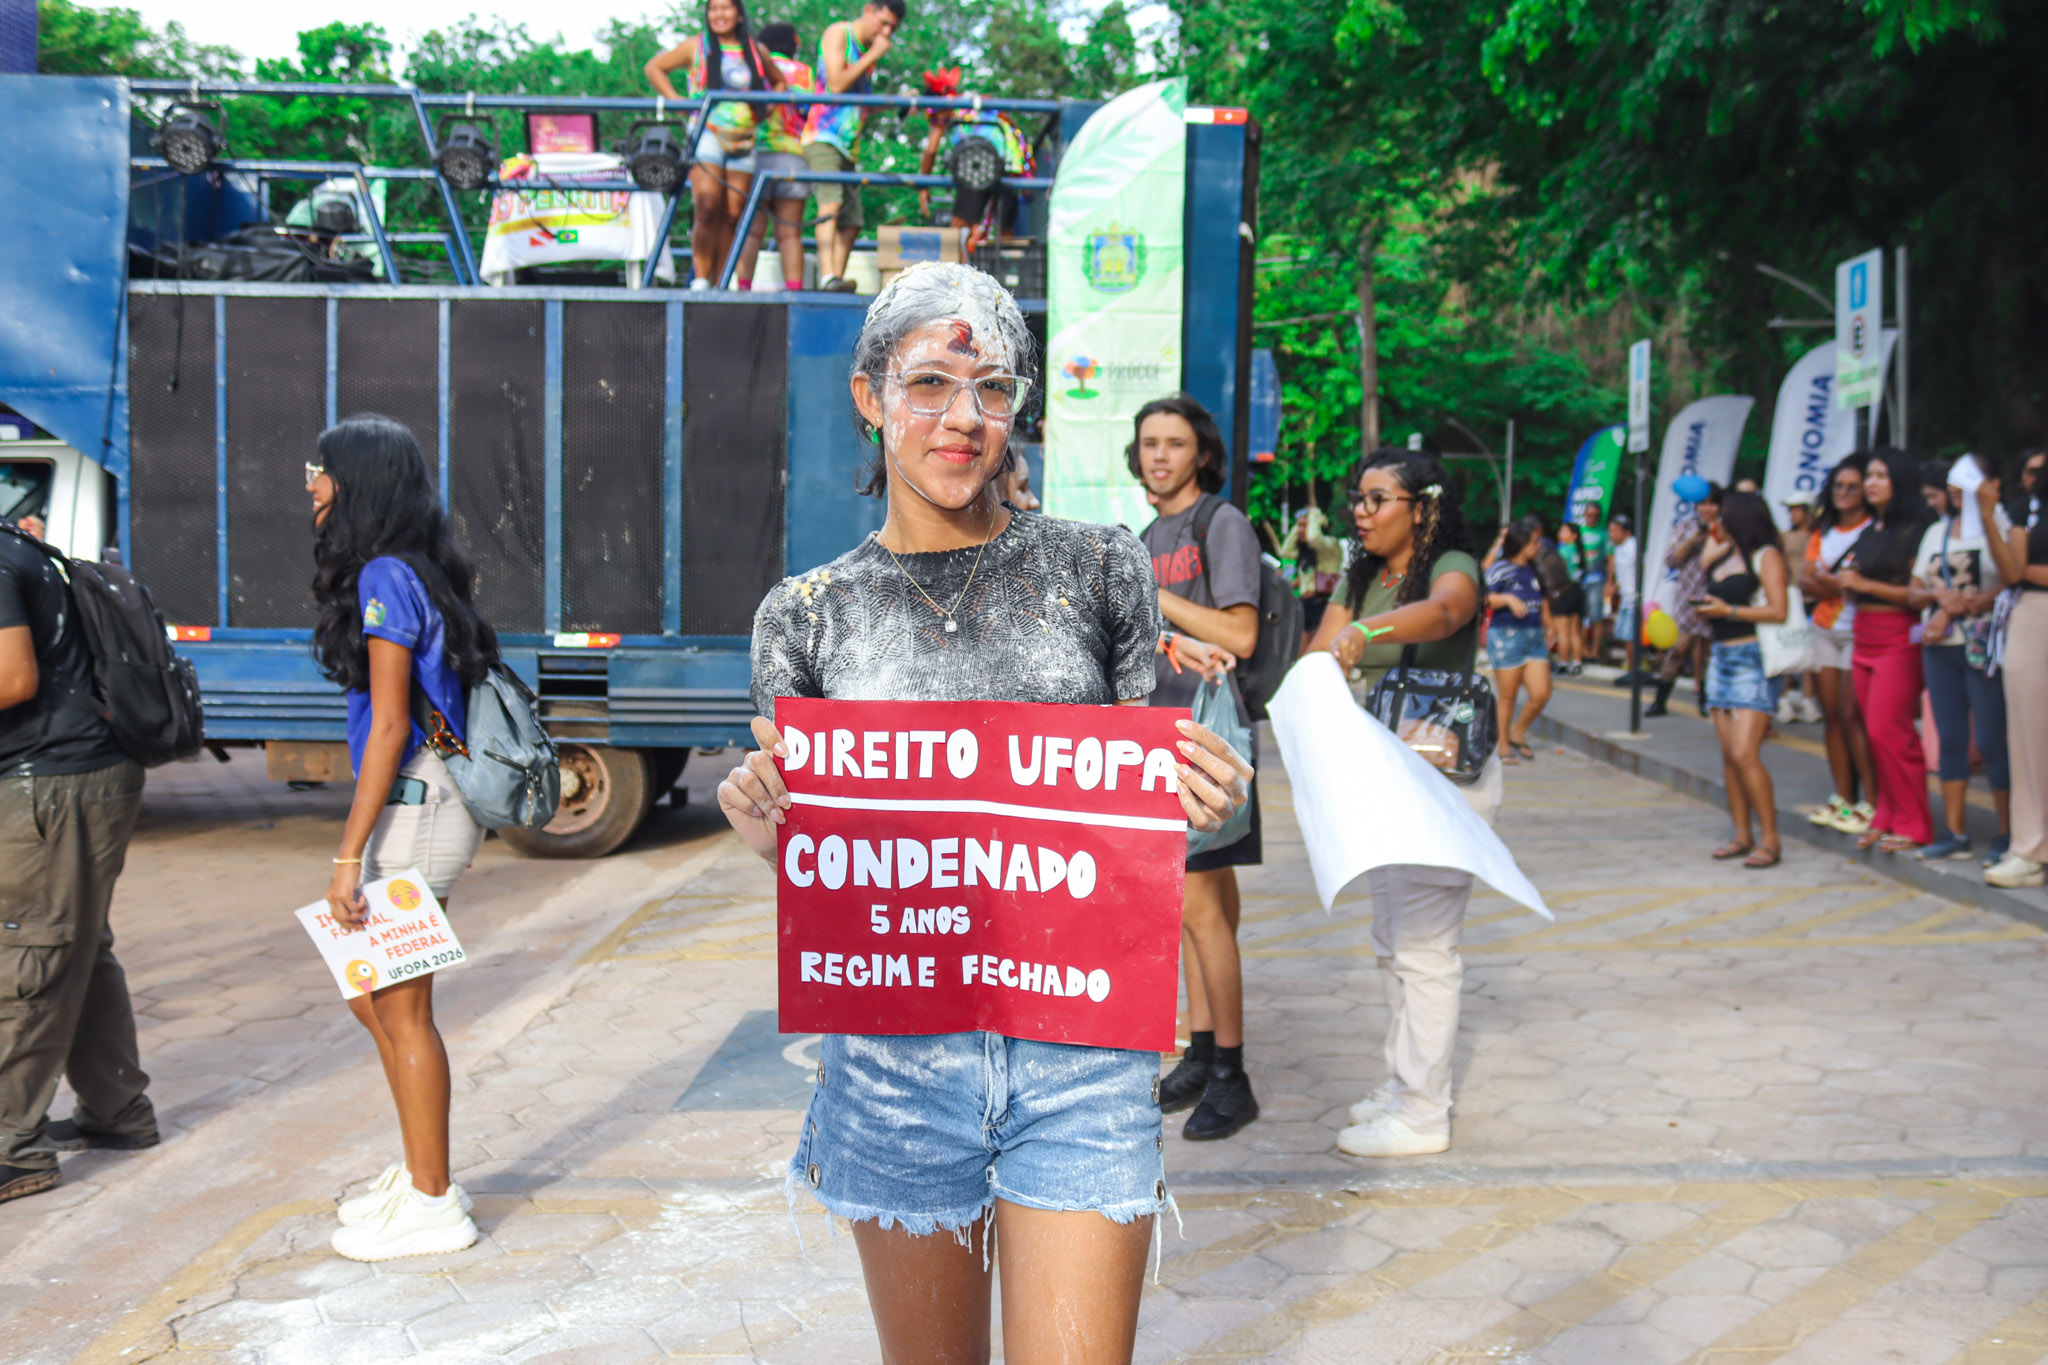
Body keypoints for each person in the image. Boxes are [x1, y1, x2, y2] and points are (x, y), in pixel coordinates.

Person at [721, 263, 1251, 1360]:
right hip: (893, 1061)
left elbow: (1123, 814)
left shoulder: (1100, 567)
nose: (962, 417)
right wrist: (770, 827)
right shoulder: (804, 617)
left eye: (993, 388)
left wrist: (1193, 793)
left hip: (1082, 1050)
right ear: (869, 397)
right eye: (928, 383)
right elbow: (833, 875)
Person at [309, 415, 498, 1261]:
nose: (311, 485)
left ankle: (433, 1201)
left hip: (416, 807)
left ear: (357, 480)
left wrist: (347, 853)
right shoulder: (418, 566)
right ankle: (424, 1171)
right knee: (375, 995)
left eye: (319, 469)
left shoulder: (386, 574)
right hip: (423, 802)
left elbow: (390, 726)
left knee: (400, 1007)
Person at [1304, 448, 1491, 1159]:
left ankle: (1422, 1114)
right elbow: (1320, 653)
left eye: (1378, 498)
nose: (1361, 511)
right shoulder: (1363, 575)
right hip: (1383, 778)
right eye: (1358, 497)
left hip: (1441, 782)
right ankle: (1404, 1084)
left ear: (1424, 507)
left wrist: (1367, 631)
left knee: (1425, 950)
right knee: (1392, 943)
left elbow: (1446, 613)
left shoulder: (1452, 566)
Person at [0, 522, 151, 1205]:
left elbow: (14, 677)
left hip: (54, 781)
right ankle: (117, 1109)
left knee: (31, 953)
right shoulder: (19, 545)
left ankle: (12, 1146)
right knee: (78, 946)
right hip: (79, 772)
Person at [1129, 394, 1265, 1142]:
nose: (1159, 455)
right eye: (1149, 442)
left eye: (1175, 443)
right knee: (1188, 907)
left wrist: (1154, 597)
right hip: (1162, 736)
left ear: (1201, 454)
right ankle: (1204, 1051)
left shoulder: (1222, 522)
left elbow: (1239, 635)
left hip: (1207, 741)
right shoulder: (1150, 534)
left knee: (1203, 910)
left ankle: (1232, 1075)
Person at [1828, 448, 1936, 853]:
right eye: (1869, 476)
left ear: (1900, 481)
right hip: (1864, 633)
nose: (1870, 483)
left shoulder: (1918, 529)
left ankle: (1915, 823)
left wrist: (1863, 585)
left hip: (1898, 636)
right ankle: (1887, 816)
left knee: (1889, 731)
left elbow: (1918, 594)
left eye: (1880, 476)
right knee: (1873, 734)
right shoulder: (1873, 528)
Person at [645, 0, 788, 291]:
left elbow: (779, 82)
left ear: (738, 14)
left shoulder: (755, 50)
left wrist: (766, 109)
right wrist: (678, 102)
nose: (719, 14)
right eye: (713, 9)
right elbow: (655, 67)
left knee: (733, 214)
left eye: (726, 8)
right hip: (707, 134)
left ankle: (720, 283)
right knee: (708, 206)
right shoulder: (696, 46)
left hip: (744, 139)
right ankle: (701, 278)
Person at [1909, 456, 2011, 863]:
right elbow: (1913, 591)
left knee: (1991, 740)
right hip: (1941, 647)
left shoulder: (2001, 526)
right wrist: (1939, 597)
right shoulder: (1936, 532)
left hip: (1985, 645)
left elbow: (2013, 579)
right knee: (1950, 739)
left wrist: (1970, 603)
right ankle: (1955, 832)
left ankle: (2007, 831)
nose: (1956, 492)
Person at [1691, 491, 1791, 868]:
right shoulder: (1722, 554)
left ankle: (1771, 839)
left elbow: (1778, 610)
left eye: (1725, 515)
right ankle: (1742, 835)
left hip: (1751, 658)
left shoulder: (1766, 555)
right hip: (1720, 657)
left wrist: (1729, 610)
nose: (1718, 520)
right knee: (1728, 757)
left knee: (1744, 754)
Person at [1800, 456, 1881, 834]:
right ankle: (1843, 798)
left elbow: (1860, 585)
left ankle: (1872, 801)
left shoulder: (1873, 530)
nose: (1844, 493)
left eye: (1852, 486)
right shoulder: (1824, 531)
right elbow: (1805, 581)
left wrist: (1830, 583)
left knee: (1853, 715)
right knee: (1831, 713)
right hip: (1824, 628)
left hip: (1858, 630)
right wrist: (1839, 585)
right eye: (1838, 486)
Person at [1979, 447, 2048, 888]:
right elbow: (2013, 571)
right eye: (2029, 469)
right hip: (2032, 617)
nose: (2034, 475)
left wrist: (2031, 571)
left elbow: (2023, 569)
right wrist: (1989, 516)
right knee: (2027, 735)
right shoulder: (2027, 508)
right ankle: (2029, 847)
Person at [803, 0, 905, 293]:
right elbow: (836, 85)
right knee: (831, 204)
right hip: (823, 136)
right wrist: (873, 55)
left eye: (892, 28)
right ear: (868, 10)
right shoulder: (839, 34)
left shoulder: (867, 53)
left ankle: (834, 280)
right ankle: (827, 277)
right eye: (883, 23)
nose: (886, 32)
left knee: (853, 220)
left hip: (849, 147)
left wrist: (896, 102)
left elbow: (860, 104)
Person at [916, 67, 1033, 252]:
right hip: (1010, 163)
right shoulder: (972, 103)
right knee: (1004, 231)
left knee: (959, 227)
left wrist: (923, 186)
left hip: (978, 162)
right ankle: (1003, 264)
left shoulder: (942, 110)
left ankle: (959, 265)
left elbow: (931, 150)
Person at [737, 22, 816, 291]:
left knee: (752, 232)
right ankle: (794, 294)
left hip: (753, 155)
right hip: (792, 156)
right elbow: (811, 111)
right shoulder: (803, 72)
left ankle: (742, 291)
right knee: (790, 234)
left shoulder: (752, 66)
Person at [1646, 485, 1721, 717]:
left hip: (1714, 596)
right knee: (1680, 648)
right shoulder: (1687, 527)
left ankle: (1705, 699)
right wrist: (1693, 540)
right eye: (1702, 504)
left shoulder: (1725, 528)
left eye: (1712, 504)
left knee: (1706, 652)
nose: (1706, 509)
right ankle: (1660, 700)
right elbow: (1671, 560)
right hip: (1688, 597)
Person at [1483, 519, 1553, 763]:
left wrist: (1549, 625)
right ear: (1521, 544)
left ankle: (1518, 732)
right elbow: (1482, 597)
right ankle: (1503, 746)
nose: (1538, 546)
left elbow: (1543, 599)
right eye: (1534, 542)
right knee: (1508, 696)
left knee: (1541, 692)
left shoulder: (1534, 569)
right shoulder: (1500, 569)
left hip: (1534, 637)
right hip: (1507, 636)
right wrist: (1506, 599)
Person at [1776, 496, 1823, 724]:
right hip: (1792, 597)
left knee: (1810, 651)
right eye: (1790, 510)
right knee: (1790, 647)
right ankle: (1783, 699)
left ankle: (1808, 699)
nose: (1793, 514)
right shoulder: (1784, 537)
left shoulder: (1820, 536)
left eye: (1797, 510)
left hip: (1815, 598)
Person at [1281, 501, 1346, 642]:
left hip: (1323, 604)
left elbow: (1314, 538)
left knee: (1316, 647)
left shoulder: (1330, 545)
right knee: (1301, 648)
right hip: (1306, 603)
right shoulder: (1305, 550)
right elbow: (1285, 551)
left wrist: (1314, 515)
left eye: (1305, 526)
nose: (1300, 530)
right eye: (1299, 526)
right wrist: (1298, 526)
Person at [1608, 513, 1644, 682]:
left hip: (1634, 597)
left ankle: (1634, 670)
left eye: (1615, 531)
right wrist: (1614, 587)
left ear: (1627, 532)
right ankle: (1631, 667)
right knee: (1625, 634)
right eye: (1611, 530)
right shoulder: (1618, 548)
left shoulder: (1633, 547)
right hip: (1624, 596)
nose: (1612, 534)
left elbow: (1642, 569)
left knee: (1631, 635)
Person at [1576, 500, 1612, 665]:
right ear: (1584, 515)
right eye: (1589, 515)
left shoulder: (1603, 534)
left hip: (1597, 579)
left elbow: (1610, 559)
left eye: (1595, 516)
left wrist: (1609, 582)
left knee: (1596, 616)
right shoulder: (1578, 531)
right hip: (1579, 579)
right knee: (1581, 616)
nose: (1592, 518)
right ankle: (1583, 650)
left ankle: (1595, 652)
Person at [1549, 522, 1586, 676]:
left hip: (1564, 591)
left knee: (1562, 632)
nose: (1561, 534)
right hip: (1577, 590)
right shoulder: (1578, 550)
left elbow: (1558, 573)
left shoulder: (1563, 550)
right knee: (1575, 631)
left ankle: (1563, 662)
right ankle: (1577, 662)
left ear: (1574, 535)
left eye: (1565, 531)